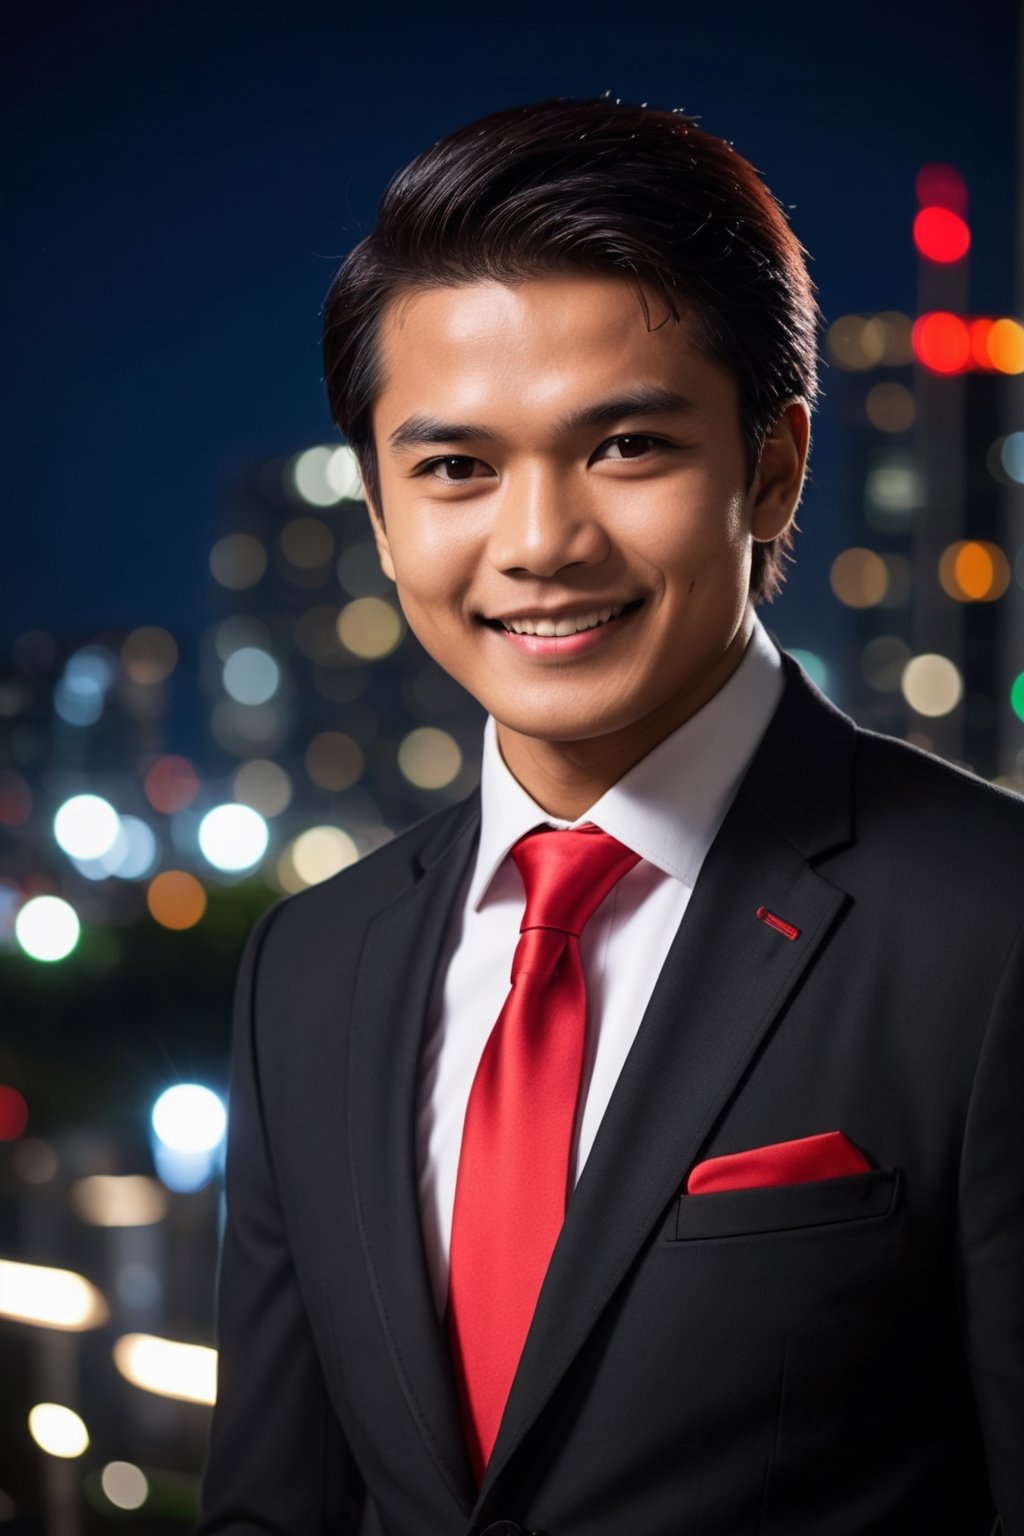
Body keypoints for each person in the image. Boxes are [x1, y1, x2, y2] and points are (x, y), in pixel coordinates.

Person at [197, 98, 1024, 1534]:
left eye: (626, 447)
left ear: (772, 466)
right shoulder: (306, 967)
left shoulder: (991, 924)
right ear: (385, 518)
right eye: (456, 467)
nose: (538, 544)